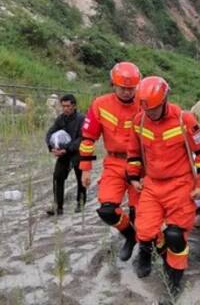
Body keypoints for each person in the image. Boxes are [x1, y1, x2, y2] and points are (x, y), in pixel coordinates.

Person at [126, 76, 200, 303]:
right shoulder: (139, 121)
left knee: (175, 235)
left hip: (180, 185)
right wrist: (134, 177)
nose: (150, 113)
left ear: (165, 99)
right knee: (144, 230)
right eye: (146, 109)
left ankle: (174, 279)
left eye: (154, 109)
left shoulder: (185, 119)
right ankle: (145, 254)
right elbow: (133, 153)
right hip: (152, 184)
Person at [78, 62, 142, 262]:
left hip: (140, 165)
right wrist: (85, 169)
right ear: (113, 84)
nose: (126, 92)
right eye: (122, 87)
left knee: (139, 213)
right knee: (107, 210)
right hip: (114, 163)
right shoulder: (100, 104)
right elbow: (88, 138)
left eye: (130, 88)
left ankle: (144, 251)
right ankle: (129, 236)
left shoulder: (145, 103)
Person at [45, 94, 85, 215]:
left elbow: (82, 138)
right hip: (64, 154)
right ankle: (58, 206)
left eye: (68, 106)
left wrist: (67, 149)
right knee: (58, 177)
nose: (65, 109)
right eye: (63, 106)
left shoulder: (81, 119)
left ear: (74, 106)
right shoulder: (60, 119)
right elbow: (50, 133)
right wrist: (52, 148)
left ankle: (80, 202)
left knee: (81, 179)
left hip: (79, 153)